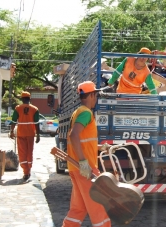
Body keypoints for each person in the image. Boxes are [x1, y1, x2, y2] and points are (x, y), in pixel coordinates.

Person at [62, 81, 111, 227]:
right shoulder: (86, 113)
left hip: (76, 168)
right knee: (99, 206)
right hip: (86, 168)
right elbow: (74, 136)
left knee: (78, 209)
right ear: (91, 95)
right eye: (95, 95)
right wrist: (84, 163)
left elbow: (81, 140)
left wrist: (100, 147)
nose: (96, 98)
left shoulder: (77, 112)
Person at [9, 91, 40, 180]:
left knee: (22, 153)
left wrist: (11, 131)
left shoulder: (18, 108)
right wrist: (38, 135)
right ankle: (28, 170)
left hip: (21, 134)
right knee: (29, 152)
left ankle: (25, 172)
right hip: (30, 134)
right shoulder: (35, 109)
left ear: (22, 99)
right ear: (29, 99)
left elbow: (14, 121)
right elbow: (37, 123)